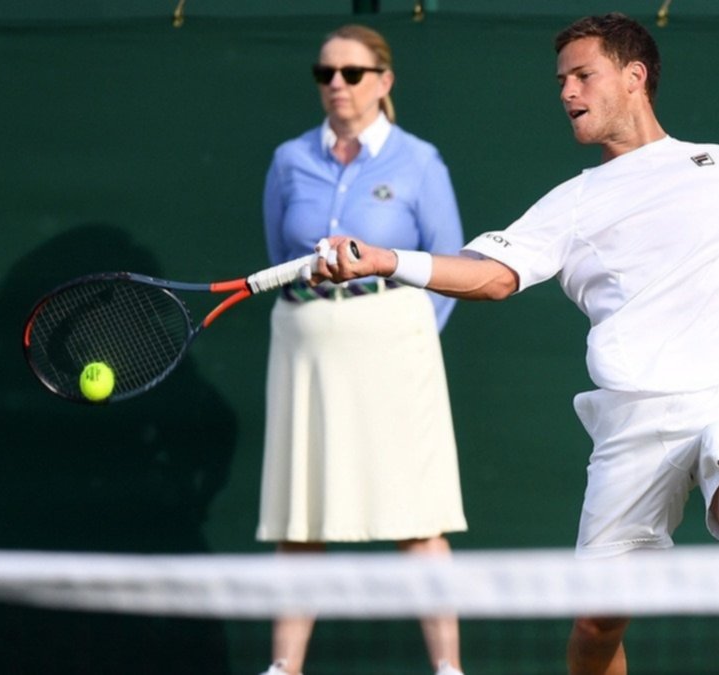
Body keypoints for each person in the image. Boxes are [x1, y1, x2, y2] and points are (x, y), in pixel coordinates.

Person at [315, 13, 719, 675]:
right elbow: (492, 277)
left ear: (634, 78)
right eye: (561, 81)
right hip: (632, 418)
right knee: (596, 618)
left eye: (583, 75)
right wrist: (387, 259)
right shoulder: (569, 203)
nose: (566, 92)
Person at [256, 24, 467, 675]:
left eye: (350, 73)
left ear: (384, 80)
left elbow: (448, 264)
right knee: (301, 517)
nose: (337, 86)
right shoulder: (290, 159)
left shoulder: (420, 161)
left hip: (396, 349)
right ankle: (284, 668)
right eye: (326, 75)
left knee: (418, 516)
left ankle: (447, 668)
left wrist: (400, 336)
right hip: (306, 345)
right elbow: (278, 253)